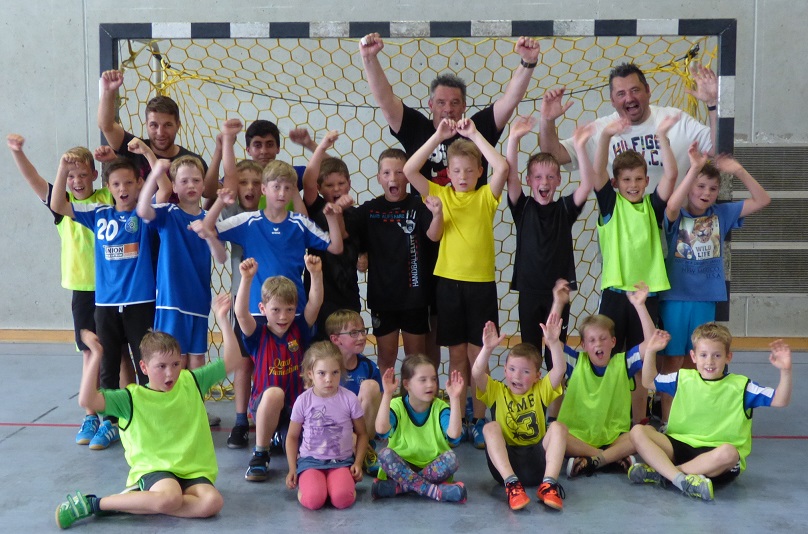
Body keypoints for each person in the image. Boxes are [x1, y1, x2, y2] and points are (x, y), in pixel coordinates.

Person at [54, 293, 241, 529]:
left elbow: (233, 361)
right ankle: (95, 504)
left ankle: (139, 503)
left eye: (175, 364)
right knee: (170, 497)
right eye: (161, 366)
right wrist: (96, 356)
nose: (170, 373)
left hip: (192, 470)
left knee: (213, 502)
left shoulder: (191, 381)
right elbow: (86, 399)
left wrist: (222, 319)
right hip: (156, 469)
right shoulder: (131, 398)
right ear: (143, 367)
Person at [403, 117, 509, 449]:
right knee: (457, 356)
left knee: (479, 356)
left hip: (481, 286)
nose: (463, 176)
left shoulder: (486, 196)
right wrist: (437, 137)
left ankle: (479, 420)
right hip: (448, 286)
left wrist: (475, 135)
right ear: (448, 172)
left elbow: (503, 167)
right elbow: (409, 170)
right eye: (457, 171)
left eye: (469, 170)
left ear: (479, 172)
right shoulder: (440, 194)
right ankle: (458, 419)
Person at [7, 135, 114, 447]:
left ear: (94, 175)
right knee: (89, 352)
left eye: (82, 174)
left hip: (112, 288)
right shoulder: (62, 206)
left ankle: (112, 416)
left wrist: (110, 159)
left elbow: (124, 178)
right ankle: (90, 414)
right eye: (71, 176)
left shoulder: (107, 197)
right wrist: (18, 152)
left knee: (115, 352)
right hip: (83, 291)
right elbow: (33, 179)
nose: (77, 181)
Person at [657, 145, 770, 424]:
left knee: (695, 362)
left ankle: (689, 419)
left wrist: (738, 170)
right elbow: (671, 206)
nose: (706, 193)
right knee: (672, 361)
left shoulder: (722, 213)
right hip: (675, 298)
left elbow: (763, 199)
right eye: (700, 186)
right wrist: (695, 168)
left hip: (706, 299)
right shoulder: (677, 214)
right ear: (689, 187)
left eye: (712, 188)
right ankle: (668, 422)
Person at [50, 155, 157, 449]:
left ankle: (149, 415)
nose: (123, 189)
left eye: (129, 183)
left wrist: (150, 159)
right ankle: (110, 421)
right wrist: (62, 169)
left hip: (140, 302)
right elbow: (58, 205)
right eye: (116, 184)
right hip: (106, 304)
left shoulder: (145, 215)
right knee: (108, 364)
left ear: (139, 184)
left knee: (145, 363)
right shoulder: (99, 214)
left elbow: (162, 188)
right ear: (107, 187)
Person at [629, 325, 793, 501]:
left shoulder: (742, 386)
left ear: (728, 357)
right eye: (703, 355)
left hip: (715, 458)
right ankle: (680, 479)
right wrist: (651, 351)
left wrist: (786, 371)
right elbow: (648, 381)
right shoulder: (683, 378)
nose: (710, 361)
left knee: (729, 453)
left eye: (717, 355)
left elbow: (780, 400)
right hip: (679, 445)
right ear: (693, 356)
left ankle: (666, 473)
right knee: (638, 431)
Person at [591, 114, 680, 424]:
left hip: (647, 297)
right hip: (615, 296)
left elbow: (671, 174)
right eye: (626, 180)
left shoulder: (652, 207)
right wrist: (605, 136)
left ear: (646, 181)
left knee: (643, 362)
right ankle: (609, 420)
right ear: (616, 183)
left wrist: (662, 136)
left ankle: (638, 421)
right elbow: (597, 172)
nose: (632, 185)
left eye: (638, 179)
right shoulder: (610, 205)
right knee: (611, 360)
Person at [505, 117, 596, 419]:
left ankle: (555, 415)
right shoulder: (522, 208)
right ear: (530, 181)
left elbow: (586, 184)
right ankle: (527, 412)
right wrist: (513, 139)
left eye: (550, 177)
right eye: (538, 177)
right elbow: (509, 177)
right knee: (529, 353)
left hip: (558, 295)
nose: (544, 182)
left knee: (555, 353)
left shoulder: (564, 210)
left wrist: (580, 146)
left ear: (558, 181)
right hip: (530, 293)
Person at [359, 33, 540, 185]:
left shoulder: (477, 129)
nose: (448, 109)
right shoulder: (417, 129)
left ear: (464, 106)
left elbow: (509, 100)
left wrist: (528, 62)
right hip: (429, 215)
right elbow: (386, 101)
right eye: (441, 102)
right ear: (430, 105)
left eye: (454, 103)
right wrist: (369, 58)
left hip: (471, 214)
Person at [539, 62, 718, 192]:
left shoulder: (675, 120)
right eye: (621, 94)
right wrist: (547, 120)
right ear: (612, 100)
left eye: (635, 90)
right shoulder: (602, 130)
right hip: (622, 229)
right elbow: (554, 156)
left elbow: (717, 149)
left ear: (648, 90)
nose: (629, 98)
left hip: (673, 225)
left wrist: (713, 104)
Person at [199, 160, 345, 319]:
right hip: (257, 310)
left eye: (287, 188)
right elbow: (207, 228)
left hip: (293, 309)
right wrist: (220, 202)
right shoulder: (248, 221)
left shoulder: (300, 223)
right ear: (264, 189)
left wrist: (332, 218)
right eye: (276, 187)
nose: (282, 193)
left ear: (293, 191)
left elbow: (336, 247)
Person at [353, 148, 444, 374]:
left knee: (416, 359)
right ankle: (386, 397)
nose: (393, 178)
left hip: (415, 297)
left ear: (408, 176)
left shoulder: (419, 206)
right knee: (386, 358)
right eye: (386, 173)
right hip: (383, 298)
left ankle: (412, 397)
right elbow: (350, 235)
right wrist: (360, 253)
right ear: (378, 178)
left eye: (399, 172)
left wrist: (438, 215)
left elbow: (434, 235)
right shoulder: (369, 210)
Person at [235, 255, 323, 482]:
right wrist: (246, 279)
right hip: (265, 405)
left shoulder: (299, 329)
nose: (283, 316)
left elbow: (315, 304)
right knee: (274, 393)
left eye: (289, 309)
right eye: (275, 310)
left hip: (295, 408)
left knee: (303, 453)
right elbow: (241, 314)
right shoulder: (257, 335)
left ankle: (278, 437)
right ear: (263, 308)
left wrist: (315, 274)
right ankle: (260, 454)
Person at [137, 157, 226, 371]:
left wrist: (208, 234)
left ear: (203, 185)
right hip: (172, 300)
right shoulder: (168, 213)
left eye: (196, 180)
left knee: (197, 361)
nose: (191, 185)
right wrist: (155, 174)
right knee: (174, 359)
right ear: (174, 187)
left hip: (199, 300)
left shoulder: (210, 218)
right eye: (184, 181)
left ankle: (194, 395)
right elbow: (142, 210)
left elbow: (221, 257)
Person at [473, 310, 568, 511]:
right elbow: (477, 373)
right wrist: (487, 349)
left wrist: (553, 343)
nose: (517, 376)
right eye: (512, 369)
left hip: (537, 464)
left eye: (525, 371)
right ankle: (512, 486)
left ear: (537, 376)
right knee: (490, 427)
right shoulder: (497, 391)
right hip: (505, 465)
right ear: (504, 370)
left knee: (558, 427)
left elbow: (559, 370)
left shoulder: (540, 390)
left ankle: (549, 485)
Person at [558, 281, 655, 479]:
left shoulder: (623, 363)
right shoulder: (575, 362)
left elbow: (651, 343)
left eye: (603, 338)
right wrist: (558, 304)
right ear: (584, 345)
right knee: (555, 434)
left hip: (614, 437)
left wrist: (640, 306)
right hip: (578, 437)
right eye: (592, 340)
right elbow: (553, 342)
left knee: (644, 432)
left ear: (613, 342)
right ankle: (610, 458)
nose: (598, 344)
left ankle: (588, 460)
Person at [97, 70, 210, 199]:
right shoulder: (134, 148)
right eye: (154, 125)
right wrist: (108, 91)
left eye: (167, 125)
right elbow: (106, 126)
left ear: (178, 125)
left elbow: (211, 193)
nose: (160, 133)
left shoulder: (191, 161)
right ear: (146, 124)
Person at [372, 354, 467, 503]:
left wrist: (455, 398)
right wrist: (387, 394)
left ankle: (401, 488)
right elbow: (381, 430)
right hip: (401, 467)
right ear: (407, 384)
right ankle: (433, 491)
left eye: (433, 379)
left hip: (432, 468)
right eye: (423, 380)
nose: (430, 385)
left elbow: (454, 435)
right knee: (385, 455)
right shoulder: (397, 405)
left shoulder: (440, 407)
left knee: (451, 459)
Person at [285, 341, 368, 510]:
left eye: (335, 372)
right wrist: (292, 468)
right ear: (310, 374)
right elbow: (292, 436)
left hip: (341, 461)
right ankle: (311, 487)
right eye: (321, 373)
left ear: (341, 371)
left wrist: (358, 463)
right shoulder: (303, 400)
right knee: (313, 501)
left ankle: (337, 487)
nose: (329, 379)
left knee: (342, 500)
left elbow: (362, 433)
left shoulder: (349, 399)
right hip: (310, 461)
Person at [301, 131, 361, 339]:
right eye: (329, 185)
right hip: (319, 291)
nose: (336, 189)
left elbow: (341, 236)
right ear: (319, 188)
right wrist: (321, 146)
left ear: (349, 184)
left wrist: (339, 211)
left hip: (347, 291)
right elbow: (308, 182)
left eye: (341, 184)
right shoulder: (315, 207)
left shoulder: (355, 214)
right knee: (320, 345)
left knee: (348, 343)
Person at [325, 309, 383, 475]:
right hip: (332, 428)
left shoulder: (368, 367)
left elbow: (378, 405)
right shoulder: (326, 368)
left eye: (363, 331)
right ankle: (348, 453)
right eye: (354, 333)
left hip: (360, 428)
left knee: (371, 386)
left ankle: (364, 450)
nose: (362, 337)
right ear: (335, 339)